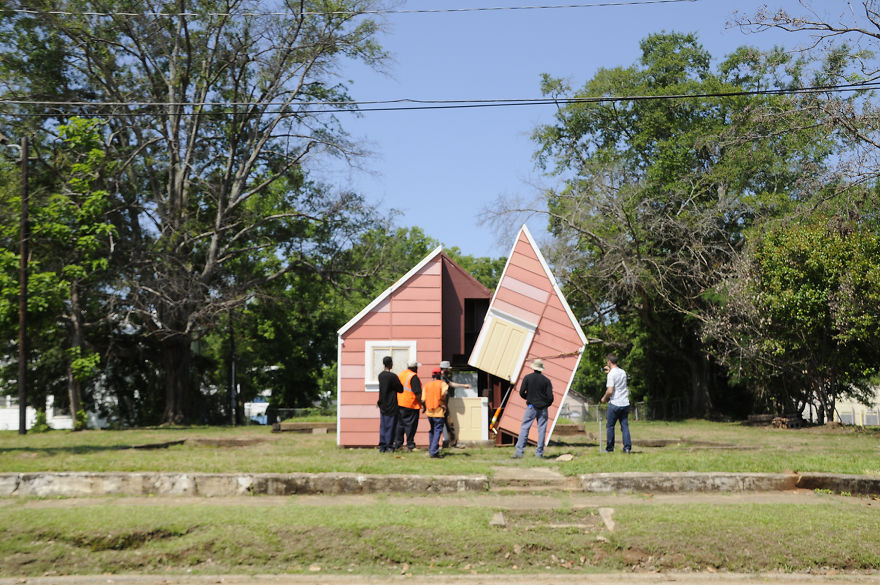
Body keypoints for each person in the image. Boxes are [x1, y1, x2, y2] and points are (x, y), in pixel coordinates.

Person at [511, 358, 553, 459]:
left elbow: (521, 392)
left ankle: (519, 452)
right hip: (543, 409)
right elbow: (551, 398)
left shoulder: (527, 378)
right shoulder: (546, 381)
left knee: (525, 427)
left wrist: (528, 398)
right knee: (542, 430)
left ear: (533, 368)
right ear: (541, 369)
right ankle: (539, 453)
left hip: (531, 407)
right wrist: (545, 404)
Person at [600, 352, 631, 453]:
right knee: (624, 426)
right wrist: (610, 372)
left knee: (610, 426)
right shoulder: (623, 372)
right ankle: (627, 448)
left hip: (615, 403)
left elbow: (610, 391)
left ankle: (610, 448)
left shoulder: (611, 375)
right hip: (625, 402)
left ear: (609, 361)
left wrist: (604, 398)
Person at [393, 360, 423, 452]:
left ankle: (398, 444)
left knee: (400, 425)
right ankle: (410, 444)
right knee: (410, 425)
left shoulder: (401, 374)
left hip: (399, 403)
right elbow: (417, 392)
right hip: (411, 404)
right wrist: (422, 403)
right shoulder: (413, 377)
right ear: (414, 368)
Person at [439, 360, 471, 446]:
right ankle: (451, 442)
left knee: (447, 424)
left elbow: (451, 384)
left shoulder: (443, 378)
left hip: (442, 405)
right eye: (448, 369)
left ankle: (451, 442)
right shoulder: (441, 379)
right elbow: (445, 391)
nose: (449, 370)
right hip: (442, 405)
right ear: (444, 369)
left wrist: (464, 386)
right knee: (448, 423)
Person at [376, 356, 404, 453]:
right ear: (390, 364)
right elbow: (400, 389)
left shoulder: (380, 376)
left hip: (382, 403)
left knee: (383, 425)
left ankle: (382, 445)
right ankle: (389, 445)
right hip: (391, 404)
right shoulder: (393, 376)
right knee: (391, 426)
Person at [421, 367, 449, 458]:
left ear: (432, 376)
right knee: (437, 431)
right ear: (439, 375)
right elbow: (446, 394)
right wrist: (445, 404)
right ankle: (433, 452)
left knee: (432, 430)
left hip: (429, 412)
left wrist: (424, 408)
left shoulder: (427, 385)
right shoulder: (442, 384)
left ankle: (432, 449)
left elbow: (422, 400)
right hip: (439, 411)